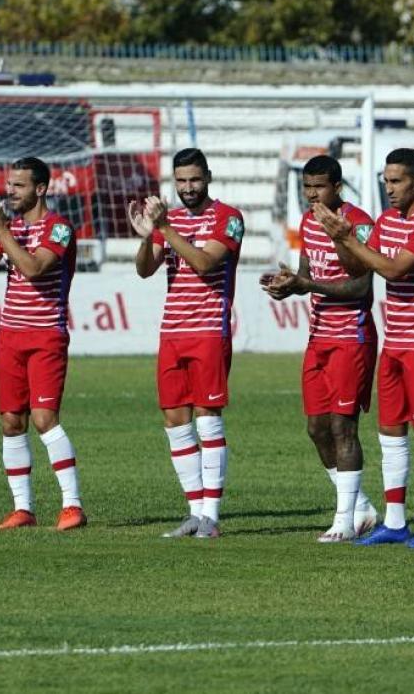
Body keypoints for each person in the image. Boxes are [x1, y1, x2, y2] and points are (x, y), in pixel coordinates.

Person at [318, 148, 414, 549]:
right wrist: (341, 239)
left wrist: (347, 239)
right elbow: (358, 267)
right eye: (385, 180)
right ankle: (394, 521)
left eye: (396, 181)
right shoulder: (387, 222)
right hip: (394, 343)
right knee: (390, 433)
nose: (388, 188)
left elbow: (392, 269)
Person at [262, 155, 380, 543]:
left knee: (343, 427)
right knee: (316, 428)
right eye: (307, 187)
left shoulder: (357, 224)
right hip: (318, 338)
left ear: (338, 187)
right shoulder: (309, 221)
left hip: (352, 338)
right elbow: (306, 276)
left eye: (320, 187)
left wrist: (308, 286)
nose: (312, 194)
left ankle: (344, 522)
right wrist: (287, 284)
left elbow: (362, 287)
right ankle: (360, 506)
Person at [129, 148, 243, 539]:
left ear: (207, 177)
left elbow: (205, 262)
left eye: (195, 180)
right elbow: (146, 270)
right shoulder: (170, 220)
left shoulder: (228, 218)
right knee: (175, 421)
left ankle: (211, 515)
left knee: (208, 419)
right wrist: (148, 238)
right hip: (172, 332)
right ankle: (194, 512)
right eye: (181, 181)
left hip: (209, 330)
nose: (188, 188)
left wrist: (166, 229)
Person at [0, 157, 85, 532]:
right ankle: (23, 509)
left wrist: (2, 232)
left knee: (43, 418)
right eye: (9, 185)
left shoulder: (60, 228)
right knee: (10, 421)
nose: (9, 192)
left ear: (40, 189)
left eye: (18, 186)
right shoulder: (11, 228)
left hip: (46, 335)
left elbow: (35, 268)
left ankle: (72, 505)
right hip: (10, 336)